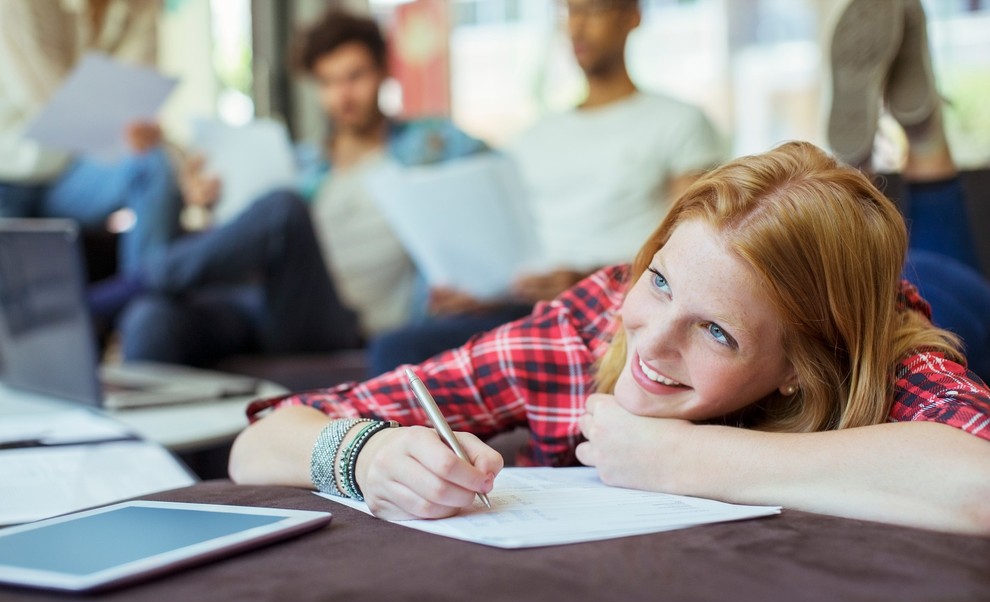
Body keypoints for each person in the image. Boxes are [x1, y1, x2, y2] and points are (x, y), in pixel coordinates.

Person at [229, 140, 990, 536]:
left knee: (951, 272)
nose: (651, 343)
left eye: (716, 332)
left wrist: (686, 458)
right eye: (658, 280)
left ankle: (913, 155)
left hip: (928, 299)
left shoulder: (886, 358)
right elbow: (256, 444)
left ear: (798, 367)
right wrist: (368, 454)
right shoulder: (587, 325)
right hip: (821, 280)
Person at [367, 0, 723, 375]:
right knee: (398, 348)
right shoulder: (531, 140)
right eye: (569, 12)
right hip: (524, 307)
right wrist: (479, 292)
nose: (577, 27)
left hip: (610, 305)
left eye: (593, 11)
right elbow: (510, 244)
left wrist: (586, 280)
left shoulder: (678, 122)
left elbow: (694, 253)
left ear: (631, 17)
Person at [112, 9, 486, 365]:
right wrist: (205, 203)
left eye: (355, 76)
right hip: (268, 302)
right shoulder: (303, 164)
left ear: (384, 71)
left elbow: (495, 180)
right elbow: (250, 241)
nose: (343, 95)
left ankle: (131, 283)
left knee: (284, 208)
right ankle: (139, 291)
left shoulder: (429, 146)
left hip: (338, 322)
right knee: (152, 317)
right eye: (328, 82)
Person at [828, 0, 989, 379]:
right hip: (897, 303)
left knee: (936, 304)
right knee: (932, 305)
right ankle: (861, 164)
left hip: (910, 309)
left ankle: (915, 134)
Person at [0, 0, 183, 275]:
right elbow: (50, 105)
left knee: (153, 164)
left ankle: (146, 304)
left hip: (70, 175)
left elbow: (137, 107)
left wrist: (180, 159)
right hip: (9, 178)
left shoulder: (141, 6)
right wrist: (129, 131)